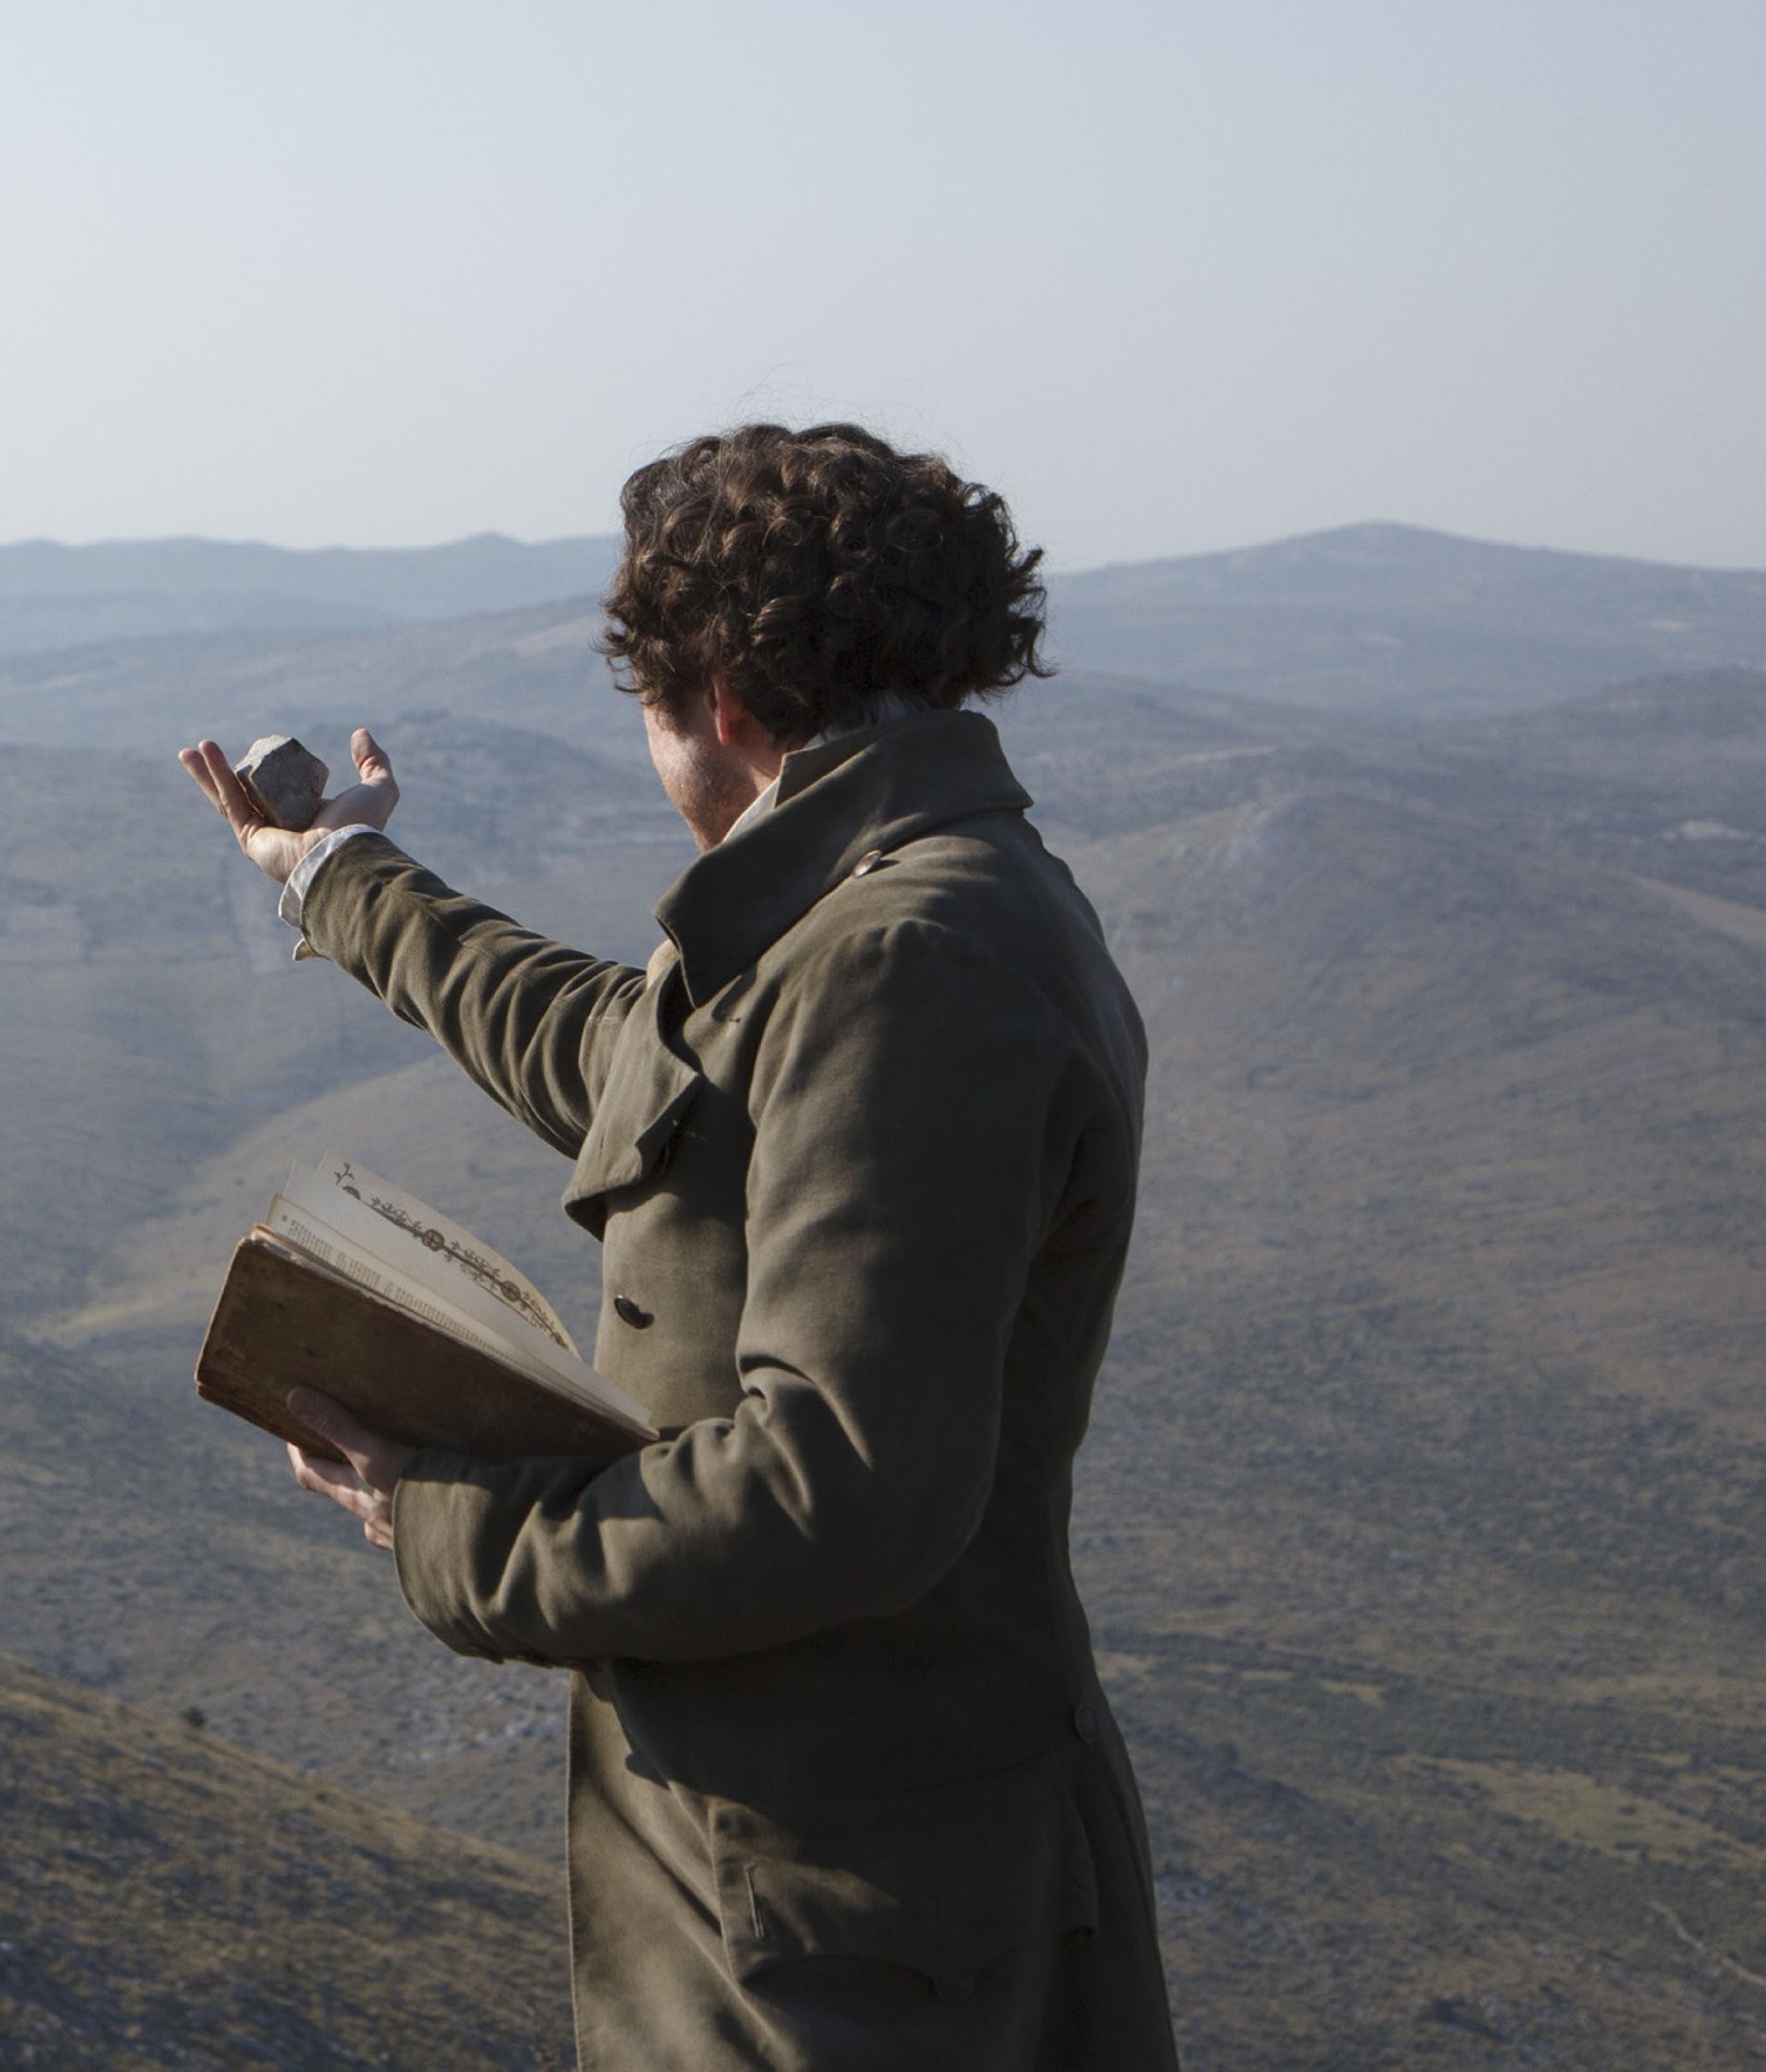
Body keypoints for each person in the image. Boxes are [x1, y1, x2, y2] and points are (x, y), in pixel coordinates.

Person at [179, 423, 1178, 2071]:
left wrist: (449, 1524)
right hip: (830, 1880)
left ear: (721, 698)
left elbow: (837, 1482)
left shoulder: (907, 958)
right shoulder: (872, 910)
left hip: (850, 1931)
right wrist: (338, 874)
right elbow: (623, 1060)